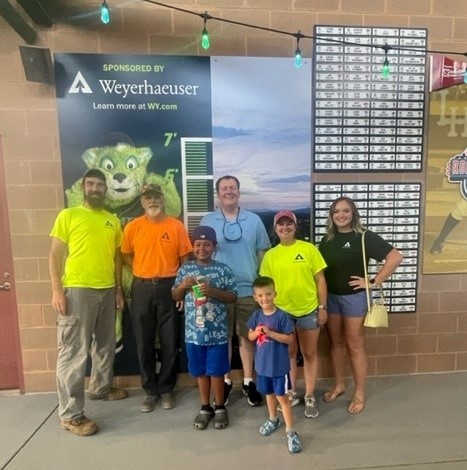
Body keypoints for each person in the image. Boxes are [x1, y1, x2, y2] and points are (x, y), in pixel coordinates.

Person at [49, 168, 127, 437]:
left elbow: (117, 258)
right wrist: (57, 290)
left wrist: (118, 289)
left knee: (105, 345)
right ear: (83, 187)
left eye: (99, 184)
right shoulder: (68, 215)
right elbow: (55, 254)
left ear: (105, 189)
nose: (95, 188)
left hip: (106, 290)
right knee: (74, 352)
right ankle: (71, 415)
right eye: (90, 184)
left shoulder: (112, 221)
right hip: (78, 291)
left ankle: (101, 388)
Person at [319, 196, 403, 414]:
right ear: (331, 215)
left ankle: (359, 393)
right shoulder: (326, 239)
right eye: (336, 211)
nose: (341, 215)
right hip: (331, 298)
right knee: (335, 343)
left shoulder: (364, 237)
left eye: (346, 211)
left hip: (354, 298)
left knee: (354, 345)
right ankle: (339, 385)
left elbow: (395, 257)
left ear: (353, 213)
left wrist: (373, 281)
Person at [121, 184, 192, 413]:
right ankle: (150, 390)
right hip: (141, 287)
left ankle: (166, 388)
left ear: (163, 199)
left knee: (170, 341)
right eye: (147, 197)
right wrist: (141, 271)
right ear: (142, 202)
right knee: (144, 342)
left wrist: (181, 289)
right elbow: (125, 254)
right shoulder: (133, 227)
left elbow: (185, 260)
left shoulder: (175, 226)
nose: (152, 201)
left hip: (169, 286)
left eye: (156, 196)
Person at [201, 175, 271, 407]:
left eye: (233, 188)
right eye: (224, 188)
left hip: (247, 290)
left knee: (246, 337)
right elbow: (202, 254)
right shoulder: (208, 220)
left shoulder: (253, 220)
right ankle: (227, 380)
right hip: (217, 291)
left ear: (239, 192)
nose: (228, 191)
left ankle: (249, 381)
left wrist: (260, 286)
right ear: (217, 193)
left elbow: (262, 252)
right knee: (222, 339)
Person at [260, 210, 327, 419]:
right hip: (282, 313)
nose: (285, 228)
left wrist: (322, 308)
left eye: (289, 224)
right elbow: (265, 287)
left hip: (308, 310)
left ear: (295, 226)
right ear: (275, 228)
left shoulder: (308, 249)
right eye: (281, 224)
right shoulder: (271, 255)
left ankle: (309, 395)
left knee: (309, 354)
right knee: (289, 354)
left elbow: (320, 280)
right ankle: (291, 392)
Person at [172, 226, 238, 430]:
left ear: (214, 247)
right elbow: (175, 296)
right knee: (200, 372)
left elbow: (232, 296)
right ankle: (204, 407)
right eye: (198, 245)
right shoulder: (186, 269)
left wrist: (213, 291)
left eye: (207, 244)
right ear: (193, 247)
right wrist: (183, 286)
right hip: (194, 333)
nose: (202, 248)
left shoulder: (223, 269)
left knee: (217, 371)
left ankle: (220, 407)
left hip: (217, 332)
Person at [247, 276, 302, 454]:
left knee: (283, 399)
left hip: (279, 367)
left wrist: (270, 333)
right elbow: (249, 337)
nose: (265, 298)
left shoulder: (282, 316)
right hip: (262, 367)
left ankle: (291, 431)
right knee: (269, 395)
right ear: (255, 297)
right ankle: (273, 419)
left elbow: (289, 339)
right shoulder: (256, 315)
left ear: (275, 294)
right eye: (261, 295)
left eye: (268, 294)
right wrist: (256, 333)